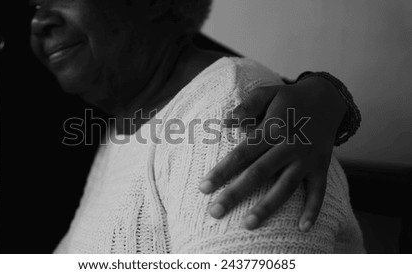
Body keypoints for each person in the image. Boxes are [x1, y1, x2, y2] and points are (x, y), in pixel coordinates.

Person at [29, 0, 364, 253]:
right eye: (35, 4)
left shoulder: (231, 112)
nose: (38, 20)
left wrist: (330, 94)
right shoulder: (123, 121)